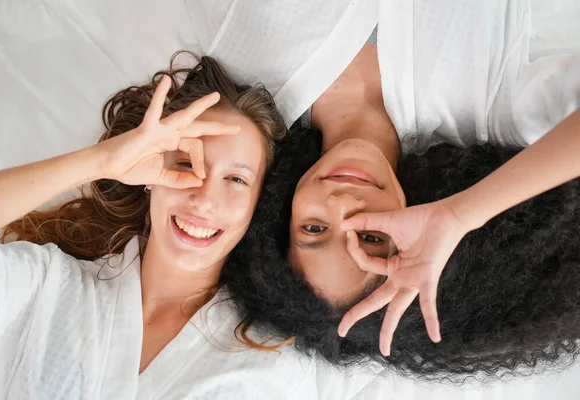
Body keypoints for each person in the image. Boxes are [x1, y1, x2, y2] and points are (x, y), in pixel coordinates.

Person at [218, 0, 580, 380]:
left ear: (281, 214)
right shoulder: (487, 112)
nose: (342, 203)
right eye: (372, 235)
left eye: (313, 229)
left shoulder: (244, 73)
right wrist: (461, 214)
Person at [0, 53, 342, 399]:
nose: (203, 199)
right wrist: (100, 162)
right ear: (150, 171)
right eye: (185, 165)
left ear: (259, 205)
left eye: (235, 179)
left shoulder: (274, 363)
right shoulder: (47, 289)